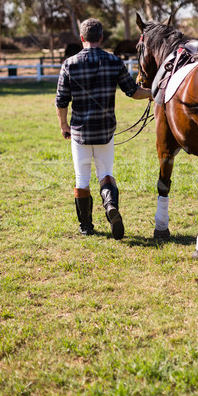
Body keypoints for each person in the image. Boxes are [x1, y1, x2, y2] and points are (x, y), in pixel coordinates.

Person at [55, 18, 151, 239]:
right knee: (106, 174)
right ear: (101, 38)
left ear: (81, 39)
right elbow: (133, 91)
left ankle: (86, 227)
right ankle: (110, 207)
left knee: (82, 179)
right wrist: (152, 93)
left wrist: (63, 125)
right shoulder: (114, 61)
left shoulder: (69, 64)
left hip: (79, 132)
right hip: (105, 132)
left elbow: (61, 101)